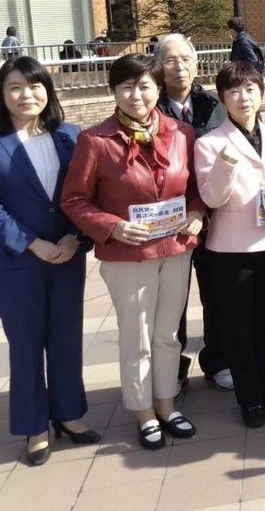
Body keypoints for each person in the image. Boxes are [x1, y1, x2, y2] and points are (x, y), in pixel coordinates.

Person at [61, 54, 206, 450]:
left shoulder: (181, 132)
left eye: (144, 85)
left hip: (175, 248)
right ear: (114, 91)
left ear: (158, 89)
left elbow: (195, 188)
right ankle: (143, 411)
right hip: (128, 256)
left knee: (167, 334)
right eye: (126, 86)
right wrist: (112, 226)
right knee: (137, 337)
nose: (136, 95)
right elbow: (74, 200)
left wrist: (197, 213)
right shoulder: (95, 141)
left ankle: (167, 404)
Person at [0, 57, 99, 466]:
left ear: (48, 90)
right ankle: (34, 426)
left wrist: (76, 237)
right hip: (17, 262)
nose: (26, 95)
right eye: (15, 87)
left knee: (66, 336)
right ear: (1, 94)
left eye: (34, 85)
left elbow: (89, 193)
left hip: (66, 255)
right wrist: (32, 243)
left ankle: (68, 414)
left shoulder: (71, 136)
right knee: (26, 342)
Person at [194, 61, 265, 428]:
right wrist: (224, 165)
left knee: (264, 323)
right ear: (223, 98)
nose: (243, 98)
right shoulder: (209, 143)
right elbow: (212, 198)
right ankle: (249, 398)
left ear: (261, 92)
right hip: (230, 250)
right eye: (234, 91)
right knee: (237, 327)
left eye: (250, 89)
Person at [153, 34, 229, 393]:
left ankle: (218, 361)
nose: (179, 67)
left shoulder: (216, 105)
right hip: (169, 222)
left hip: (214, 218)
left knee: (217, 294)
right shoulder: (149, 108)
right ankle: (175, 369)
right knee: (172, 300)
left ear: (197, 64)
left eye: (186, 58)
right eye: (170, 60)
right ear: (159, 67)